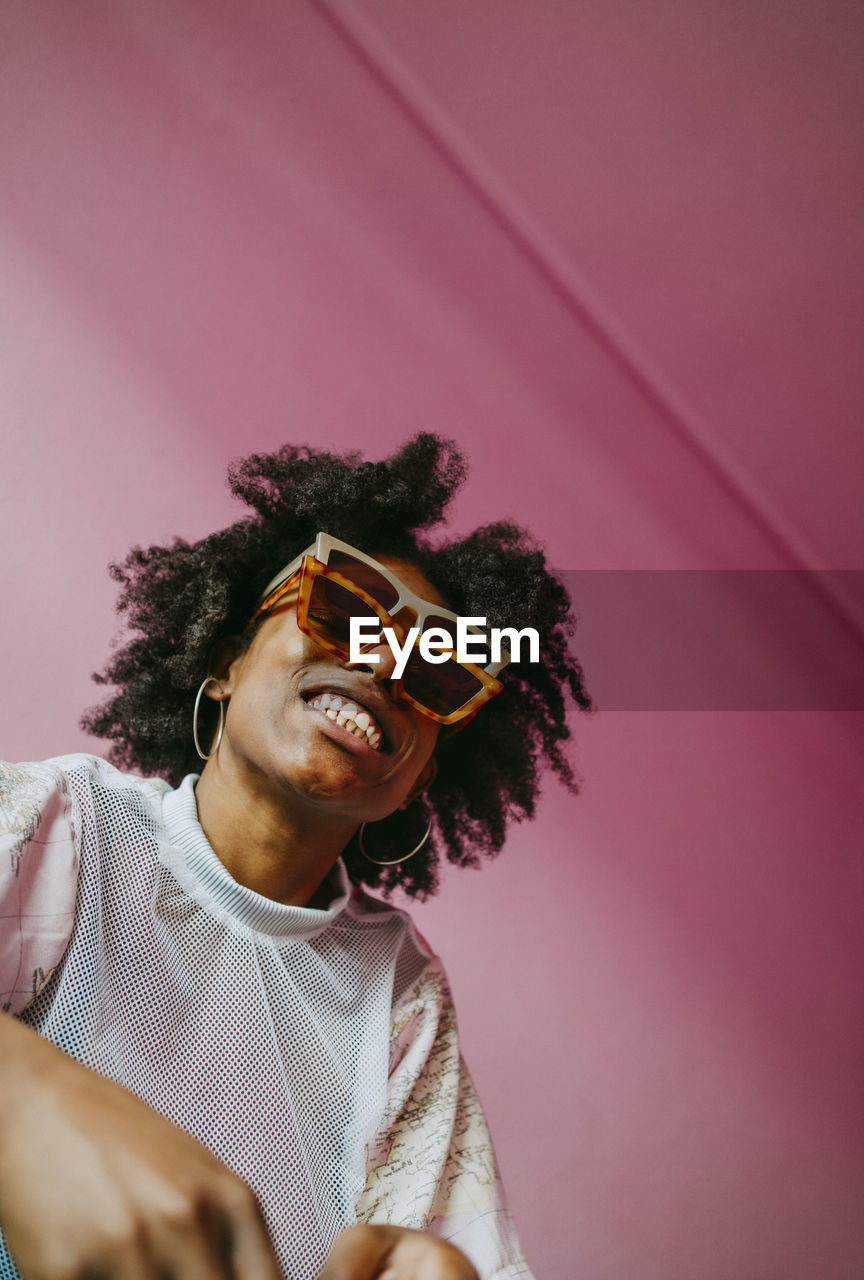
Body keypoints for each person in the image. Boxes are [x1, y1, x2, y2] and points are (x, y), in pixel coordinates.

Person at [0, 435, 590, 1280]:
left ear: (417, 775)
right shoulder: (67, 823)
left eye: (438, 673)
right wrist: (25, 1096)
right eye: (347, 610)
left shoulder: (398, 994)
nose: (386, 664)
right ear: (223, 663)